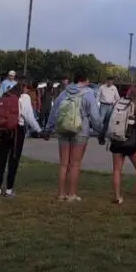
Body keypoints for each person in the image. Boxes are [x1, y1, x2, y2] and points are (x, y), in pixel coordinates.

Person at [45, 69, 103, 202]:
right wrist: (100, 131)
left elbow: (54, 112)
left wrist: (48, 128)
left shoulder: (63, 92)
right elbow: (95, 116)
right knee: (75, 164)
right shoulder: (88, 94)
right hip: (81, 130)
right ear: (85, 80)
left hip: (63, 129)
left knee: (64, 164)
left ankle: (61, 194)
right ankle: (72, 194)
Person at [0, 83, 40, 197]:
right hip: (17, 131)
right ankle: (9, 189)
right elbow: (29, 117)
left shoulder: (4, 96)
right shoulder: (24, 98)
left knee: (1, 158)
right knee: (13, 159)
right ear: (24, 88)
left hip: (4, 130)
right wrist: (39, 130)